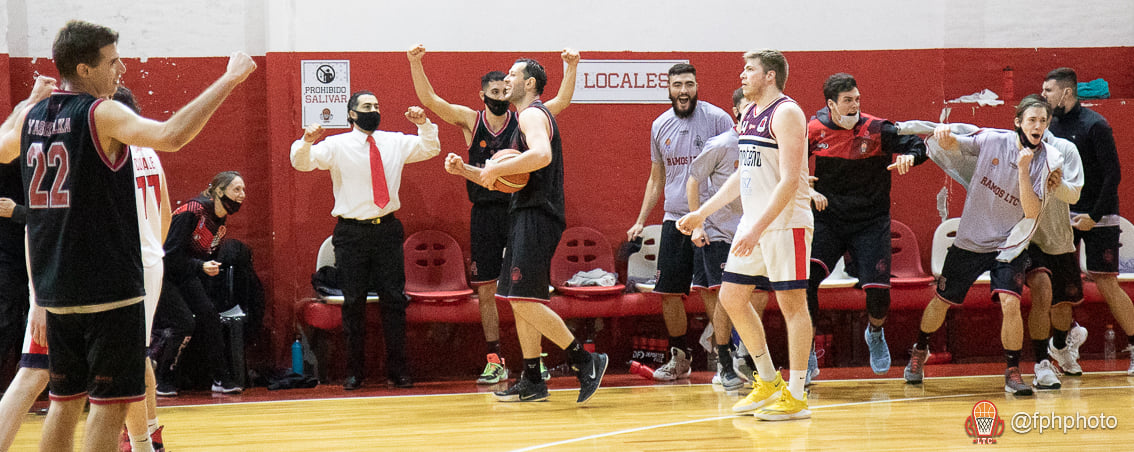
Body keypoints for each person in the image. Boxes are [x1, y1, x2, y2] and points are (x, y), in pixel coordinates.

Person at [0, 20, 256, 451]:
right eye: (112, 61)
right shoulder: (103, 112)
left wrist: (25, 102)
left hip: (54, 287)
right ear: (84, 69)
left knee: (63, 400)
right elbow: (171, 135)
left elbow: (3, 145)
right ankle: (144, 439)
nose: (120, 69)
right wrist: (228, 79)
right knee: (107, 404)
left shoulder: (31, 117)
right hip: (108, 285)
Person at [407, 44, 579, 384]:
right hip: (488, 212)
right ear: (483, 94)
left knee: (527, 291)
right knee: (493, 290)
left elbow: (561, 102)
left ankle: (539, 362)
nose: (502, 91)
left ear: (523, 86)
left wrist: (570, 67)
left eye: (507, 84)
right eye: (496, 89)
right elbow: (431, 101)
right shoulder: (473, 120)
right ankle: (497, 357)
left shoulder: (527, 116)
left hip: (524, 209)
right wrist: (415, 63)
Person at [445, 57, 608, 403]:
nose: (506, 78)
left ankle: (585, 359)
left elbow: (541, 155)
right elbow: (507, 180)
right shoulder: (523, 118)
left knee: (521, 298)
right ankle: (533, 377)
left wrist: (490, 168)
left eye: (513, 75)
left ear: (530, 84)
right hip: (523, 212)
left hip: (538, 213)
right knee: (519, 300)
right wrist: (468, 172)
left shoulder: (533, 114)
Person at [678, 49, 814, 420]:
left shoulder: (787, 112)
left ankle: (798, 395)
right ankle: (768, 380)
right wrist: (701, 213)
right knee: (733, 298)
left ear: (770, 76)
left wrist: (756, 228)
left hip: (786, 223)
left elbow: (789, 180)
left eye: (749, 69)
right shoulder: (750, 114)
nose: (742, 75)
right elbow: (743, 175)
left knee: (792, 306)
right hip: (753, 223)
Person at [903, 96, 1054, 396]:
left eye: (1043, 121)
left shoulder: (1047, 161)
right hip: (971, 241)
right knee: (942, 301)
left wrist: (1023, 170)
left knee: (1011, 303)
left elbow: (1032, 211)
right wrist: (944, 138)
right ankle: (921, 348)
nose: (1038, 126)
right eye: (1032, 120)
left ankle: (1012, 371)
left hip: (1008, 245)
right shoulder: (992, 139)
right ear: (1018, 122)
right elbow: (954, 147)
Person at [291, 92, 441, 390]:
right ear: (352, 115)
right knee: (353, 303)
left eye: (376, 105)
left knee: (394, 302)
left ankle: (398, 371)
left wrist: (424, 124)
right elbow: (302, 163)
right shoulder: (337, 145)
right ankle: (354, 372)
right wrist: (306, 141)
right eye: (366, 107)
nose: (373, 110)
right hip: (351, 233)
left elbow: (430, 148)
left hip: (386, 230)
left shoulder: (394, 141)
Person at [805, 73, 928, 376]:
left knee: (878, 295)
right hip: (828, 220)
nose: (854, 105)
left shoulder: (877, 128)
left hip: (870, 222)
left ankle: (874, 332)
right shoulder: (813, 129)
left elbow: (919, 146)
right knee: (804, 283)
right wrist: (805, 188)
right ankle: (804, 350)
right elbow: (787, 165)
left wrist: (909, 159)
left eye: (857, 99)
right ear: (831, 104)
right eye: (847, 100)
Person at [627, 63, 734, 381]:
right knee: (669, 292)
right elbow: (656, 176)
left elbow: (734, 172)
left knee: (712, 290)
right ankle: (680, 357)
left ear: (697, 85)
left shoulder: (718, 120)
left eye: (688, 84)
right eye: (677, 85)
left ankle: (723, 358)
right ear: (669, 88)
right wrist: (641, 219)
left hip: (711, 220)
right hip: (675, 219)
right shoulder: (659, 125)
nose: (683, 90)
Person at [1042, 67, 1134, 376]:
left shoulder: (1096, 125)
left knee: (1106, 283)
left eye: (1049, 90)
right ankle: (1065, 346)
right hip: (1064, 217)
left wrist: (1093, 217)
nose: (1044, 96)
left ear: (1066, 93)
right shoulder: (1049, 126)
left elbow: (1113, 175)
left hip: (1099, 215)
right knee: (1064, 288)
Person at [686, 88, 764, 392]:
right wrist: (698, 223)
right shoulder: (720, 144)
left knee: (757, 296)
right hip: (721, 232)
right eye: (748, 108)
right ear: (736, 111)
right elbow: (694, 180)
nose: (753, 113)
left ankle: (748, 353)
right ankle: (724, 359)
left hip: (754, 232)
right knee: (726, 296)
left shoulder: (764, 144)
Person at [151, 172, 246, 398]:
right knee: (183, 323)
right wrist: (200, 266)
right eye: (237, 189)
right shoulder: (192, 212)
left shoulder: (219, 220)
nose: (242, 195)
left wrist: (201, 268)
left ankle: (220, 378)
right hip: (162, 274)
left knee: (210, 316)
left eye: (243, 190)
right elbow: (169, 256)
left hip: (185, 273)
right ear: (219, 191)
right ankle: (163, 378)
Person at [0, 75, 55, 452]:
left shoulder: (48, 154)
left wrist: (18, 211)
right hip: (23, 258)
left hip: (40, 261)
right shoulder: (14, 148)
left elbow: (46, 217)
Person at [116, 86, 172, 452]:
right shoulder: (148, 150)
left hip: (129, 262)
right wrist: (151, 250)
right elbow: (165, 212)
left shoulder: (115, 154)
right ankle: (148, 429)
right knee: (137, 353)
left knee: (125, 358)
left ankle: (137, 437)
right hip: (152, 258)